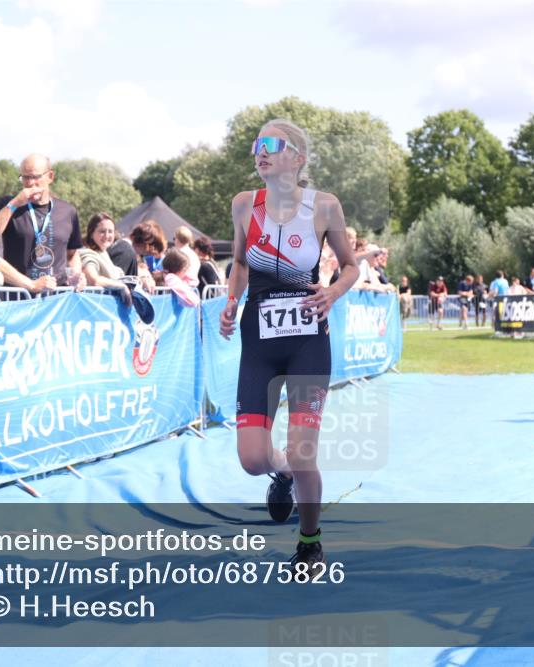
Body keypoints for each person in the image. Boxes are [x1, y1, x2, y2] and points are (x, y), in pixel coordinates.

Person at [218, 119, 358, 574]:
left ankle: (310, 541)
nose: (260, 152)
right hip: (259, 340)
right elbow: (239, 264)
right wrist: (230, 300)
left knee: (304, 453)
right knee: (253, 459)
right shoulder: (244, 205)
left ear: (297, 158)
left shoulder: (325, 206)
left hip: (307, 343)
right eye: (255, 145)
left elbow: (352, 267)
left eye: (271, 145)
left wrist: (332, 293)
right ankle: (280, 473)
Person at [0, 153, 85, 290]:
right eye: (25, 177)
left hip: (57, 301)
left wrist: (77, 274)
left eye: (35, 177)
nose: (30, 183)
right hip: (19, 298)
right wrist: (15, 203)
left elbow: (72, 254)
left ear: (50, 176)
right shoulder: (8, 205)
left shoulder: (68, 211)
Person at [77, 213, 135, 305]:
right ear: (91, 234)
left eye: (110, 231)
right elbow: (94, 279)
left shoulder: (103, 253)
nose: (107, 236)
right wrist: (122, 287)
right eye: (102, 231)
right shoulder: (86, 254)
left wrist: (144, 277)